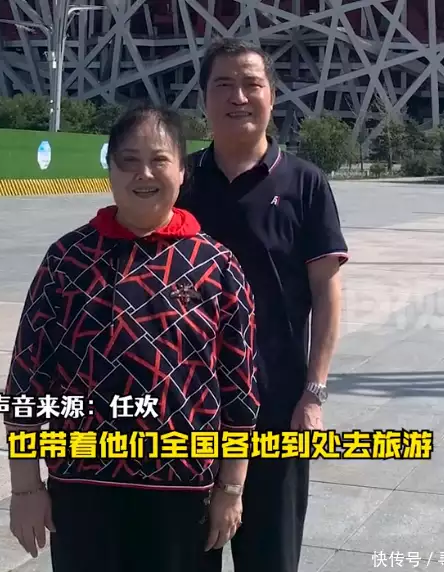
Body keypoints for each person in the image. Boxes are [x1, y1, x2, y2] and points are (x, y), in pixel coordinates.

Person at [2, 103, 260, 572]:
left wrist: (231, 488)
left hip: (184, 492)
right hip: (82, 488)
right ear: (110, 169)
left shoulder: (217, 266)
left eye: (160, 160)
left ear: (182, 171)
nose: (145, 173)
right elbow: (26, 382)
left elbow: (239, 392)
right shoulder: (67, 260)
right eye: (129, 160)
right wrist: (25, 488)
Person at [175, 38, 349, 572]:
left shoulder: (304, 183)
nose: (238, 97)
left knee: (271, 557)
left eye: (251, 84)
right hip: (186, 410)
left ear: (272, 96)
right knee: (184, 556)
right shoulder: (179, 181)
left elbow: (326, 294)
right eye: (223, 85)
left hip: (276, 407)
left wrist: (314, 393)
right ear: (204, 98)